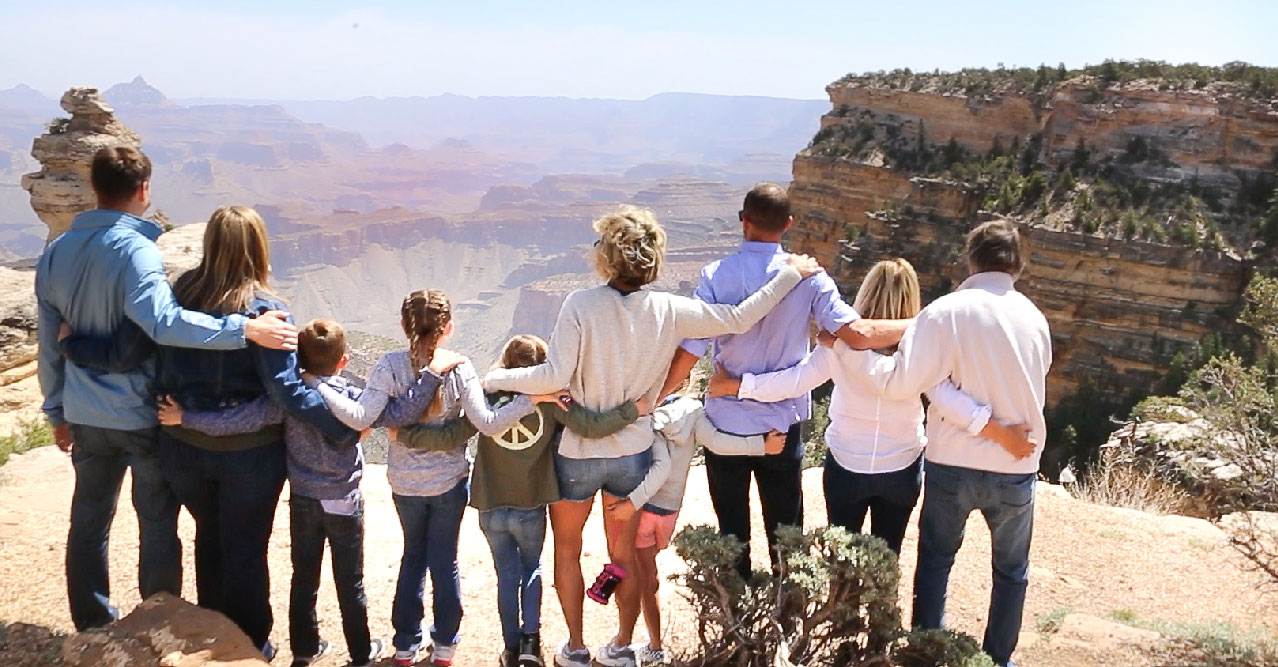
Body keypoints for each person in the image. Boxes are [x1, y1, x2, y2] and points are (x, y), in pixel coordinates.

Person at [481, 206, 823, 667]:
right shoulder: (670, 309)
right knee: (623, 555)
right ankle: (622, 645)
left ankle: (577, 648)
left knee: (567, 550)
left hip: (578, 455)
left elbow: (555, 374)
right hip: (632, 451)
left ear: (606, 255)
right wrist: (790, 274)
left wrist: (498, 380)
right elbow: (739, 318)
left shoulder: (580, 304)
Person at [34, 146, 297, 633]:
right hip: (139, 411)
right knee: (157, 521)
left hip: (85, 411)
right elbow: (162, 323)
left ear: (94, 187)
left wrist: (56, 409)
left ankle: (92, 623)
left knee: (89, 519)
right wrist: (247, 330)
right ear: (143, 189)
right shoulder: (136, 251)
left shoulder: (56, 252)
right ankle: (158, 621)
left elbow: (51, 341)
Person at [134, 318, 449, 667]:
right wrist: (432, 375)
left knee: (304, 579)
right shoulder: (352, 398)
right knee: (350, 582)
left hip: (303, 500)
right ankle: (361, 653)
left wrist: (186, 418)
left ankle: (304, 649)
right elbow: (402, 412)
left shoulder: (287, 399)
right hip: (343, 501)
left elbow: (240, 420)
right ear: (343, 361)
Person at [656, 182, 911, 579]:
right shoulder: (810, 276)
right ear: (789, 224)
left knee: (730, 530)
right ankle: (786, 613)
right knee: (786, 532)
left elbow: (692, 346)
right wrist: (929, 323)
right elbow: (857, 334)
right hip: (782, 425)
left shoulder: (714, 275)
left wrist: (657, 395)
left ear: (744, 221)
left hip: (726, 425)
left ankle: (735, 614)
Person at [707, 258, 1034, 555]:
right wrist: (1000, 433)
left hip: (847, 466)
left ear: (866, 292)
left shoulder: (838, 343)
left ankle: (841, 617)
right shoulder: (923, 348)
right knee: (885, 561)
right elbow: (950, 400)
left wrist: (738, 386)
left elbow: (793, 381)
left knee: (840, 562)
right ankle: (879, 618)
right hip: (901, 467)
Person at [835, 222, 1051, 667]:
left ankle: (926, 655)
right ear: (1019, 264)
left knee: (936, 562)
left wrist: (846, 346)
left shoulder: (945, 313)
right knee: (1011, 574)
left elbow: (911, 384)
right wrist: (1001, 433)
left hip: (952, 462)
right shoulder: (1036, 317)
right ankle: (998, 659)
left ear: (970, 259)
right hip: (1017, 466)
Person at [313, 290, 552, 667]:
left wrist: (316, 384)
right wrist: (532, 400)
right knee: (445, 562)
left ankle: (406, 645)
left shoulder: (390, 365)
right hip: (449, 482)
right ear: (449, 327)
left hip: (405, 483)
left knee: (413, 558)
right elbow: (487, 424)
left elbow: (362, 417)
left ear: (403, 325)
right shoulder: (461, 367)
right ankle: (444, 646)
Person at [397, 333, 649, 667]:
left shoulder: (486, 400)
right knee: (531, 571)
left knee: (507, 576)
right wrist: (634, 410)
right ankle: (531, 644)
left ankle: (510, 647)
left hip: (490, 505)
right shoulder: (550, 401)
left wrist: (404, 433)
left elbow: (451, 436)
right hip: (530, 506)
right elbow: (591, 426)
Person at [624, 394, 785, 665]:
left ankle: (649, 645)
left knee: (644, 577)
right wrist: (760, 446)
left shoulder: (644, 411)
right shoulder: (694, 411)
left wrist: (631, 502)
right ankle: (653, 645)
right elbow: (718, 443)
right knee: (647, 571)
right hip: (669, 512)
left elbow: (651, 458)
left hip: (642, 504)